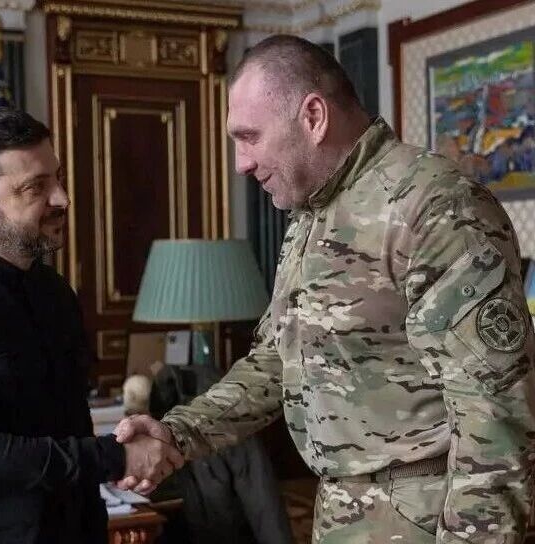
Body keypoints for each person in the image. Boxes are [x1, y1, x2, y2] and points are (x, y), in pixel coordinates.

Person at [115, 35, 535, 543]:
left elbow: (494, 411)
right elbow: (276, 360)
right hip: (339, 511)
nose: (240, 162)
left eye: (249, 136)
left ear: (313, 117)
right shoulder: (311, 213)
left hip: (427, 518)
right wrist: (180, 431)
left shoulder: (434, 206)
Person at [0, 108, 183, 544]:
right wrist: (114, 457)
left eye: (57, 178)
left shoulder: (57, 293)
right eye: (35, 187)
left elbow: (70, 421)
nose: (62, 198)